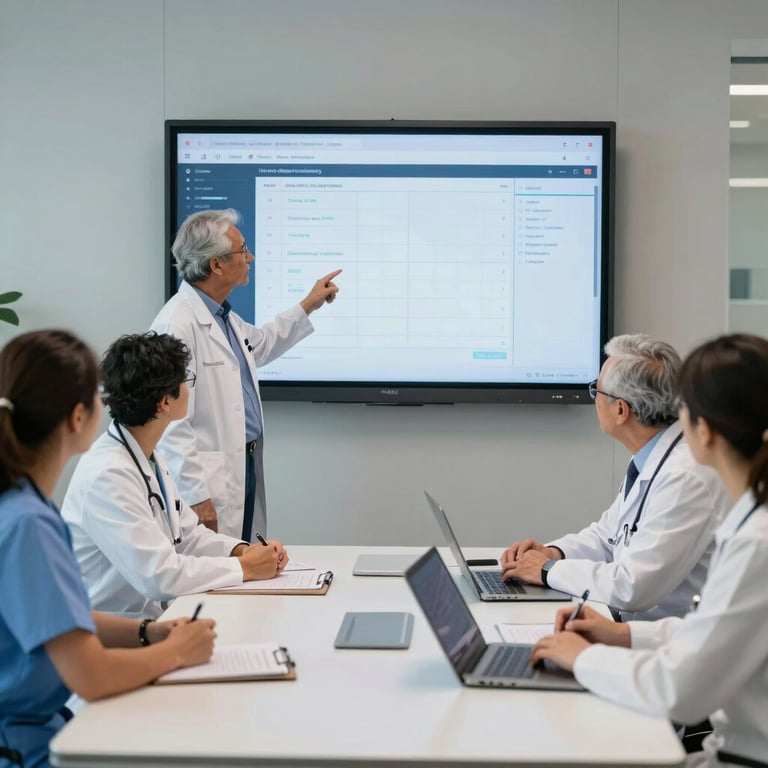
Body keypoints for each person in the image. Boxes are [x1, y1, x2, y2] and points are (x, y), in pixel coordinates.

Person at [531, 333, 768, 768]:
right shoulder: (753, 523)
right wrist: (621, 635)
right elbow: (714, 630)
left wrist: (585, 658)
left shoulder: (755, 542)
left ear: (705, 429)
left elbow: (678, 688)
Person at [0, 330, 216, 768]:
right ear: (78, 417)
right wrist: (178, 650)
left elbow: (61, 614)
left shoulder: (22, 507)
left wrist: (146, 634)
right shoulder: (29, 525)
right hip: (27, 745)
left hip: (37, 724)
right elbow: (92, 676)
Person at [501, 333, 729, 621]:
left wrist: (547, 572)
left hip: (668, 641)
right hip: (634, 629)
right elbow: (608, 536)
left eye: (596, 391)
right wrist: (553, 553)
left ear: (621, 410)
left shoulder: (685, 476)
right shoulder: (652, 456)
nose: (594, 399)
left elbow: (632, 587)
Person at [62, 332, 289, 620]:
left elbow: (187, 537)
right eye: (186, 380)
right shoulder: (107, 475)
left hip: (154, 619)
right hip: (113, 632)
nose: (189, 388)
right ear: (165, 402)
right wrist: (246, 569)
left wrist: (242, 551)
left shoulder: (148, 457)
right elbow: (160, 576)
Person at [150, 208, 341, 541]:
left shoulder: (223, 317)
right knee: (216, 569)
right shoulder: (177, 324)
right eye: (243, 251)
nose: (250, 258)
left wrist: (308, 304)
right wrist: (195, 494)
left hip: (245, 462)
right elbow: (171, 424)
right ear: (217, 264)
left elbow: (262, 344)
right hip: (208, 479)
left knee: (245, 557)